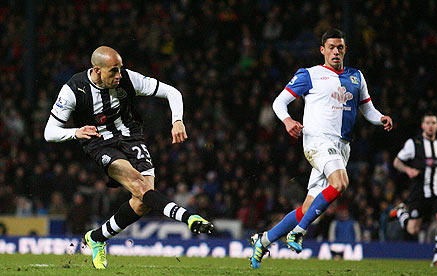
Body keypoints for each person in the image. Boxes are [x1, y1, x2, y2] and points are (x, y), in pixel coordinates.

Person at [44, 46, 214, 269]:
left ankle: (96, 238)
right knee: (139, 186)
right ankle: (189, 218)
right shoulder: (74, 89)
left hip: (131, 137)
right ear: (97, 70)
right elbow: (49, 132)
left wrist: (177, 120)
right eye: (113, 71)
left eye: (120, 69)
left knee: (143, 202)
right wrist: (74, 132)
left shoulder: (128, 79)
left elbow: (173, 92)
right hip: (99, 143)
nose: (119, 76)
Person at [250, 29, 393, 269]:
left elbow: (368, 109)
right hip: (318, 141)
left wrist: (381, 119)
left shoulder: (356, 77)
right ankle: (298, 233)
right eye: (331, 47)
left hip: (341, 147)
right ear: (322, 50)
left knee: (307, 208)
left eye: (340, 47)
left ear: (345, 50)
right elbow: (279, 102)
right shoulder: (310, 74)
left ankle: (263, 240)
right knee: (340, 183)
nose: (336, 51)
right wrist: (287, 121)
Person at [390, 113, 437, 266]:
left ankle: (436, 258)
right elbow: (396, 162)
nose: (430, 125)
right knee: (412, 229)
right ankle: (401, 212)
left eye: (433, 122)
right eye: (427, 122)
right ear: (422, 126)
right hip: (419, 191)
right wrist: (407, 170)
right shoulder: (413, 144)